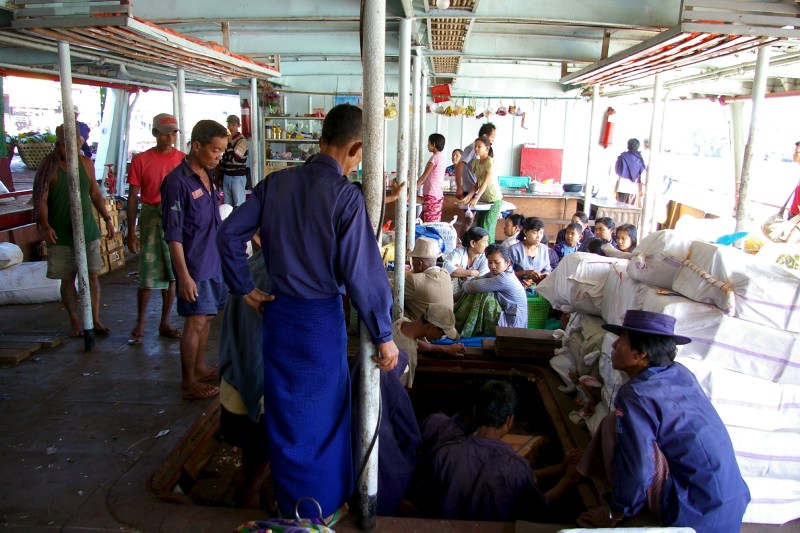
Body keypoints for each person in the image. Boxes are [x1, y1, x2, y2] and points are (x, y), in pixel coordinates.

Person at [215, 104, 399, 520]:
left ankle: (288, 503)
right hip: (319, 325)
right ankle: (320, 512)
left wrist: (245, 290)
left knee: (285, 418)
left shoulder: (274, 184)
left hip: (278, 318)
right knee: (324, 422)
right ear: (356, 149)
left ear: (319, 141)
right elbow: (363, 276)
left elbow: (228, 234)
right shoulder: (345, 197)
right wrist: (384, 335)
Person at [577, 310, 750, 531]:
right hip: (728, 504)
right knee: (619, 424)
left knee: (615, 429)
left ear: (640, 353)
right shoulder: (680, 373)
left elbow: (638, 467)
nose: (613, 346)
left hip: (692, 513)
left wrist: (614, 515)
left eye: (621, 341)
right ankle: (584, 473)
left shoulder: (636, 394)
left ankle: (626, 505)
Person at [431, 380, 580, 522]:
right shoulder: (517, 467)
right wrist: (566, 481)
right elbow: (538, 508)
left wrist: (559, 468)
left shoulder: (445, 454)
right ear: (509, 420)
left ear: (476, 411)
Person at [161, 119, 231, 401]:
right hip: (195, 264)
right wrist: (184, 277)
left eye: (222, 151)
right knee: (196, 320)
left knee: (208, 317)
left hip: (213, 260)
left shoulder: (207, 175)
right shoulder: (177, 182)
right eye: (215, 150)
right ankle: (188, 381)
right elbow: (173, 235)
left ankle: (200, 366)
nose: (219, 156)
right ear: (197, 145)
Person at [37, 124, 115, 337]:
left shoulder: (86, 163)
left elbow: (95, 193)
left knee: (92, 276)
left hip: (87, 230)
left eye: (76, 144)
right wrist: (45, 226)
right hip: (60, 232)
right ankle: (75, 321)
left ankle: (95, 319)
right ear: (58, 144)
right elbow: (41, 200)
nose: (70, 149)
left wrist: (107, 218)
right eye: (65, 145)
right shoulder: (49, 166)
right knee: (68, 279)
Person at [218, 237, 270, 509]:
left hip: (233, 383)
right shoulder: (274, 276)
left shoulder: (249, 268)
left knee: (253, 461)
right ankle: (250, 492)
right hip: (253, 391)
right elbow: (253, 354)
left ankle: (249, 483)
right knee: (258, 464)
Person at [126, 113, 184, 344]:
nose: (169, 137)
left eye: (173, 132)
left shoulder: (183, 159)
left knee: (172, 274)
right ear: (154, 134)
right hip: (150, 215)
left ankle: (165, 322)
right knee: (148, 276)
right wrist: (131, 232)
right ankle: (139, 325)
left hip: (174, 216)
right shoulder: (141, 160)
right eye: (164, 132)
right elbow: (132, 198)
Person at [349, 350, 420, 516]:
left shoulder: (349, 379)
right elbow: (411, 436)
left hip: (348, 472)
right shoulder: (389, 382)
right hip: (384, 474)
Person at [454, 244, 527, 336]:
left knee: (483, 295)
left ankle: (466, 329)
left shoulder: (505, 278)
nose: (492, 266)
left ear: (507, 262)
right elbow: (476, 281)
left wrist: (464, 280)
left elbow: (471, 288)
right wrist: (455, 296)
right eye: (489, 262)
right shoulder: (497, 273)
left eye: (497, 262)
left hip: (512, 326)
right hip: (506, 316)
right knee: (479, 284)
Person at [392, 302, 464, 388]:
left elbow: (415, 343)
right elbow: (402, 390)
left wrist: (447, 349)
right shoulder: (409, 354)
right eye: (443, 334)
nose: (440, 337)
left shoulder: (402, 323)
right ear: (432, 328)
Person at [455, 123, 497, 232]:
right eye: (492, 137)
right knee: (471, 220)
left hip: (486, 195)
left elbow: (483, 181)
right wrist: (461, 188)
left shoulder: (488, 161)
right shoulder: (473, 152)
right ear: (485, 136)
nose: (493, 140)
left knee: (482, 224)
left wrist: (476, 196)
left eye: (479, 147)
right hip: (473, 191)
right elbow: (460, 166)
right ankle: (464, 243)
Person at [461, 136, 503, 242]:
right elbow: (477, 183)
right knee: (479, 226)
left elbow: (485, 182)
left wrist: (476, 197)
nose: (476, 149)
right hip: (484, 199)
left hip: (494, 199)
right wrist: (468, 197)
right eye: (475, 146)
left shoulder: (490, 162)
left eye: (479, 147)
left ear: (487, 148)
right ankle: (480, 252)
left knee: (487, 226)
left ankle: (490, 251)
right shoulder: (476, 162)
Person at [402, 236, 453, 321]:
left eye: (413, 262)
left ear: (419, 263)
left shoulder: (414, 281)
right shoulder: (445, 273)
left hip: (425, 332)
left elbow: (385, 285)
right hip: (445, 330)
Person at [509, 216, 554, 288]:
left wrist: (544, 275)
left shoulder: (544, 249)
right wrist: (525, 273)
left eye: (541, 232)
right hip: (517, 288)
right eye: (535, 232)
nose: (539, 236)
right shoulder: (514, 249)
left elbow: (547, 270)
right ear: (525, 232)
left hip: (538, 288)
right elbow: (506, 274)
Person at [219, 115, 249, 208]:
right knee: (227, 206)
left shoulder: (242, 140)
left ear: (238, 125)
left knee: (238, 206)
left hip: (237, 177)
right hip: (227, 177)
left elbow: (234, 160)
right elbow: (224, 160)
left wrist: (229, 143)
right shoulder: (227, 140)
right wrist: (221, 177)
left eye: (233, 125)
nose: (230, 127)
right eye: (229, 124)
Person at [417, 133, 446, 223]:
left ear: (434, 144)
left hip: (432, 194)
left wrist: (411, 190)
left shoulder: (434, 158)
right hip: (437, 195)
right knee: (423, 220)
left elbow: (424, 177)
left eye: (428, 143)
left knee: (429, 224)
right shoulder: (442, 157)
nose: (427, 145)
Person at [615, 138, 646, 205]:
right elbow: (641, 176)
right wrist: (640, 189)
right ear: (638, 147)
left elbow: (617, 171)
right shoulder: (640, 159)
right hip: (632, 189)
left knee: (618, 209)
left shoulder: (622, 157)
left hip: (621, 187)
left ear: (628, 146)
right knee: (628, 211)